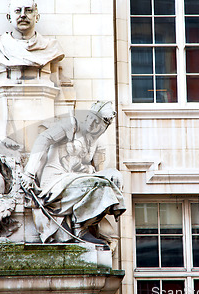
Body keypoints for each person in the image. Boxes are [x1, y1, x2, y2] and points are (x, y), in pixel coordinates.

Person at [22, 101, 126, 245]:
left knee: (108, 184)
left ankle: (83, 225)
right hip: (54, 181)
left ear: (104, 128)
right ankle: (80, 229)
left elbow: (97, 170)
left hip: (75, 180)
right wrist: (29, 173)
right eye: (90, 117)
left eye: (97, 122)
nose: (91, 123)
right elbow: (43, 139)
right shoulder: (72, 125)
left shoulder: (97, 143)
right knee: (98, 184)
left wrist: (112, 174)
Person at [0, 0, 64, 70]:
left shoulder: (52, 47)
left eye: (28, 10)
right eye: (18, 11)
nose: (23, 15)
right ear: (9, 17)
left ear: (37, 17)